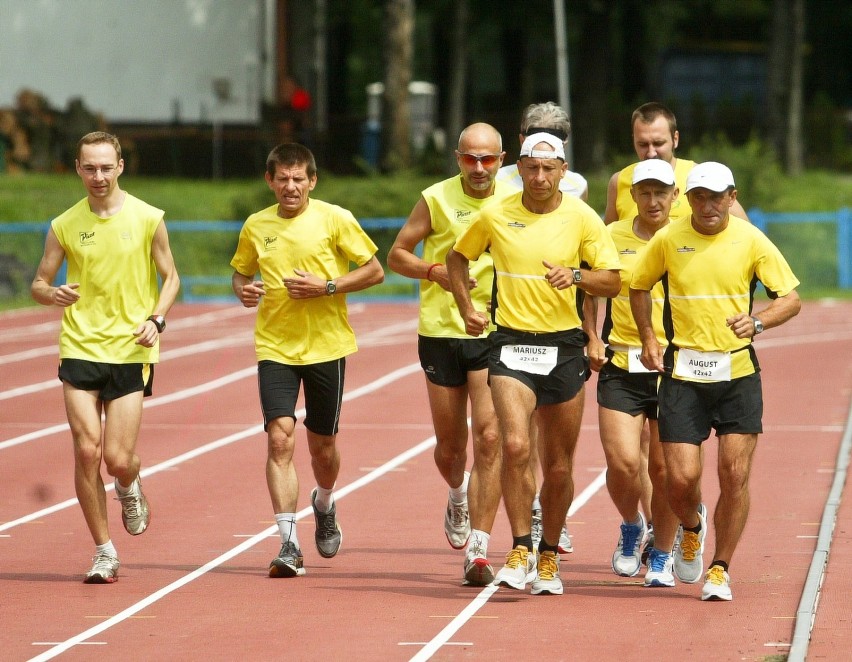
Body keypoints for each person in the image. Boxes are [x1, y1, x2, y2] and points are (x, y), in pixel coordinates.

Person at [447, 133, 621, 595]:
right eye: (532, 168)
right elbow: (456, 257)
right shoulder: (495, 214)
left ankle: (548, 554)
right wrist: (467, 306)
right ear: (519, 169)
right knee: (516, 445)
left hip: (563, 347)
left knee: (560, 464)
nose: (540, 177)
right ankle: (520, 546)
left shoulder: (583, 218)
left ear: (563, 170)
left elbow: (613, 281)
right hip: (510, 344)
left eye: (549, 168)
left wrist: (577, 275)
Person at [629, 161, 801, 601]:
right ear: (688, 200)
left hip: (737, 373)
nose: (708, 205)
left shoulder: (751, 239)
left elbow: (791, 299)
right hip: (683, 374)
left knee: (734, 473)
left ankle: (721, 568)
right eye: (700, 197)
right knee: (679, 479)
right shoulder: (668, 238)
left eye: (717, 197)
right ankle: (692, 526)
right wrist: (648, 337)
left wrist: (758, 323)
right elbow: (638, 285)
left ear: (732, 196)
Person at [30, 131, 180, 583]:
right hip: (79, 345)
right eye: (89, 168)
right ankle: (104, 551)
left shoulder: (148, 217)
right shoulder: (64, 224)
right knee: (86, 450)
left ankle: (129, 484)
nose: (98, 176)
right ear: (78, 169)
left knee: (117, 458)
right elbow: (38, 282)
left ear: (120, 167)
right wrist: (50, 293)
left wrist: (157, 319)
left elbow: (171, 277)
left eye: (105, 167)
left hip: (130, 348)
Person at [231, 143, 384, 578]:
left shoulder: (334, 218)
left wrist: (328, 286)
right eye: (283, 179)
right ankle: (288, 543)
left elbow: (374, 270)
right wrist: (242, 289)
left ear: (312, 181)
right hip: (275, 347)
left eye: (299, 179)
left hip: (327, 347)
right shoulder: (256, 225)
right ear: (270, 181)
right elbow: (241, 272)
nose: (291, 187)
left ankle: (326, 500)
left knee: (323, 446)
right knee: (280, 438)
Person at [387, 122, 510, 586]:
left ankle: (478, 550)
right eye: (470, 159)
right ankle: (457, 493)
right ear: (457, 157)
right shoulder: (435, 198)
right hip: (441, 332)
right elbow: (396, 255)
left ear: (502, 159)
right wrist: (434, 270)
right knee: (450, 448)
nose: (479, 168)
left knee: (490, 438)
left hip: (494, 332)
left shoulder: (517, 201)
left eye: (488, 159)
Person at [586, 159, 680, 584]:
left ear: (675, 197)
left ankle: (661, 552)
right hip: (623, 362)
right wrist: (591, 335)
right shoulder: (610, 236)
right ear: (633, 197)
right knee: (623, 461)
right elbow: (590, 287)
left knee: (663, 470)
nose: (653, 200)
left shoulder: (687, 238)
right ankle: (631, 525)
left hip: (676, 366)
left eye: (662, 192)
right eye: (645, 192)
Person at [497, 100, 584, 554]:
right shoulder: (500, 187)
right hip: (509, 326)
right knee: (515, 441)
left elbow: (591, 262)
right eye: (537, 130)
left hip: (562, 329)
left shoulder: (577, 189)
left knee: (555, 454)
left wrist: (590, 324)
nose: (541, 175)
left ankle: (550, 518)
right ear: (520, 142)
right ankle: (523, 527)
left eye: (557, 134)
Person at [604, 102, 749, 224]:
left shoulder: (700, 177)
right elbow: (607, 241)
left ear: (675, 139)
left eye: (658, 143)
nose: (651, 152)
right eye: (642, 144)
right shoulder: (619, 181)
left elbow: (747, 232)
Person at [497, 101, 588, 201]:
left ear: (563, 145)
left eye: (552, 144)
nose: (542, 147)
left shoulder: (577, 186)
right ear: (522, 141)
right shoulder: (498, 180)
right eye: (534, 142)